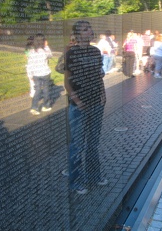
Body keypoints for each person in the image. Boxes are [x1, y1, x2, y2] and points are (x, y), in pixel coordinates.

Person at [64, 20, 108, 194]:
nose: (89, 31)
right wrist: (77, 100)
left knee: (93, 143)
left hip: (96, 102)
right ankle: (75, 181)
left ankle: (93, 175)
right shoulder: (71, 52)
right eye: (84, 29)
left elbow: (98, 76)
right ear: (77, 34)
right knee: (77, 144)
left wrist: (103, 96)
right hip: (79, 105)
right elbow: (67, 80)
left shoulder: (96, 51)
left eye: (89, 28)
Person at [26, 33, 52, 115]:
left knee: (37, 90)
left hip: (36, 74)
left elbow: (30, 64)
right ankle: (46, 106)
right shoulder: (45, 51)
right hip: (45, 73)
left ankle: (34, 107)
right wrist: (46, 46)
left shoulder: (31, 51)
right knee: (46, 89)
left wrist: (30, 75)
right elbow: (50, 56)